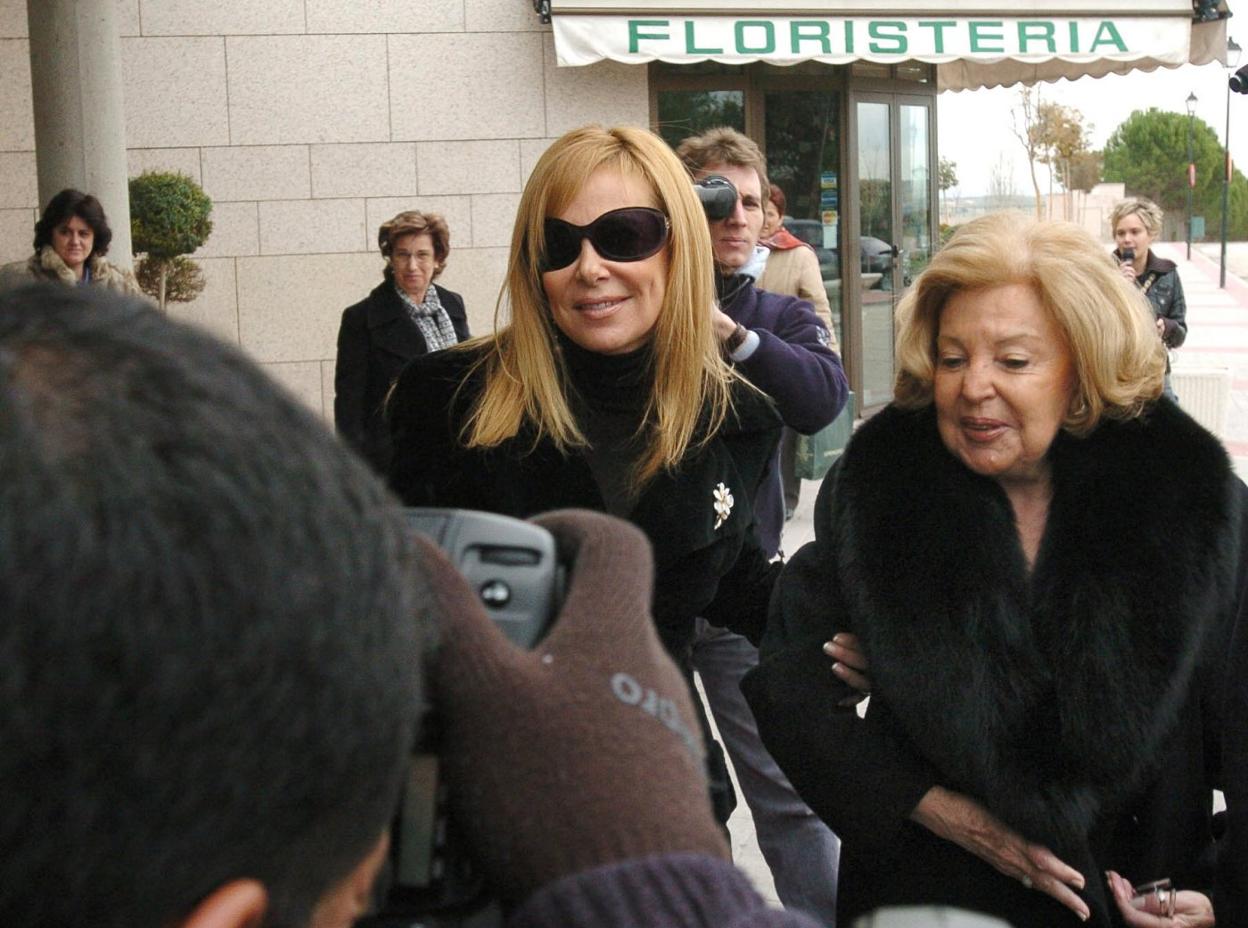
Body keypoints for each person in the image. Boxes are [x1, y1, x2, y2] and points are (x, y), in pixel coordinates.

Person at [0, 283, 825, 928]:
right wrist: (654, 889)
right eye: (561, 240)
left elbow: (741, 577)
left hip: (664, 774)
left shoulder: (738, 416)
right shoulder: (448, 397)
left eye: (629, 236)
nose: (594, 266)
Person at [744, 211, 1243, 928]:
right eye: (952, 358)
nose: (972, 387)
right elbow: (787, 683)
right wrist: (944, 810)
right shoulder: (885, 488)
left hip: (1133, 896)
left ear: (1084, 367)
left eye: (1013, 361)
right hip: (927, 899)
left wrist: (1226, 896)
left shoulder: (1195, 503)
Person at [676, 127, 846, 926]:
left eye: (751, 201)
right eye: (714, 201)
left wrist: (731, 335)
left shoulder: (778, 313)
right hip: (650, 608)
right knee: (678, 803)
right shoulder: (629, 312)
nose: (737, 217)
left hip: (744, 596)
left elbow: (819, 399)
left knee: (787, 797)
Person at [335, 209, 469, 475]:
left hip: (455, 456)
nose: (412, 266)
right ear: (391, 259)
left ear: (438, 259)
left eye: (422, 255)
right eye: (402, 255)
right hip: (396, 464)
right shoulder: (361, 318)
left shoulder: (452, 304)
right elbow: (349, 408)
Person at [756, 181, 838, 520]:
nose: (764, 220)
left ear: (780, 216)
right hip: (748, 353)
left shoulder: (798, 254)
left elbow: (818, 305)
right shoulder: (741, 250)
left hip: (788, 353)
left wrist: (829, 351)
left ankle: (787, 499)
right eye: (760, 211)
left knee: (786, 434)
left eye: (770, 213)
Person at [1110, 196, 1186, 401]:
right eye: (1120, 233)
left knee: (1172, 431)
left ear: (1151, 234)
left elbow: (1181, 333)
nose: (1127, 239)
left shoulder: (1167, 273)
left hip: (1155, 374)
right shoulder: (1102, 272)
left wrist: (1167, 327)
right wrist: (1118, 287)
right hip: (1113, 374)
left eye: (1135, 232)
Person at [0, 187, 141, 295]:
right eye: (65, 232)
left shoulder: (119, 284)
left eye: (83, 234)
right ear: (50, 234)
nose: (75, 241)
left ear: (95, 237)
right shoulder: (17, 280)